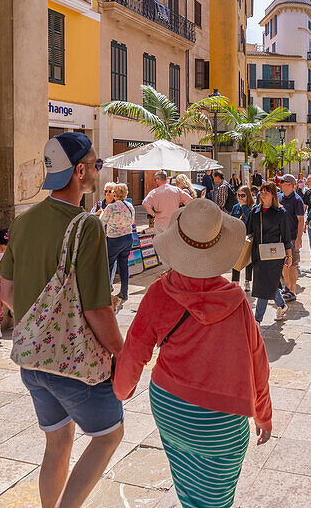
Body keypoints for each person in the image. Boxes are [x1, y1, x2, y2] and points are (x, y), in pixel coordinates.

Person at [113, 200, 272, 508]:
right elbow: (257, 363)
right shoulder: (237, 300)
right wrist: (263, 414)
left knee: (187, 482)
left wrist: (121, 390)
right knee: (216, 496)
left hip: (170, 407)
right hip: (221, 419)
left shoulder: (159, 291)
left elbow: (134, 349)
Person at [0, 132, 125, 508]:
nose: (99, 171)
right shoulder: (87, 226)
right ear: (80, 171)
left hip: (32, 360)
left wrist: (39, 325)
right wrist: (122, 351)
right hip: (74, 367)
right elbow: (97, 311)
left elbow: (6, 294)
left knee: (58, 442)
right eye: (97, 164)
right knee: (107, 436)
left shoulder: (23, 221)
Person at [246, 181, 291, 323]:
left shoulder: (280, 212)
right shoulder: (255, 211)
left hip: (274, 255)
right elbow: (248, 231)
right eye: (261, 192)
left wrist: (289, 255)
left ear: (273, 195)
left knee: (263, 287)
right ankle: (282, 305)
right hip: (258, 254)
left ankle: (257, 321)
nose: (263, 194)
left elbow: (286, 236)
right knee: (268, 284)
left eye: (266, 192)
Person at [101, 182, 135, 304]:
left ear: (115, 194)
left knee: (108, 265)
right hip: (128, 237)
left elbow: (101, 222)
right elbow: (132, 221)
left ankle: (106, 291)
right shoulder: (130, 206)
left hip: (115, 239)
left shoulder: (111, 207)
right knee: (123, 265)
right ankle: (124, 291)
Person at [278, 173, 306, 302]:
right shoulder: (279, 197)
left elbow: (300, 220)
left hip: (293, 237)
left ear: (289, 184)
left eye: (282, 182)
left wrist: (299, 238)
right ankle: (287, 287)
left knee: (293, 263)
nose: (280, 184)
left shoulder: (297, 200)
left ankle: (293, 290)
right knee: (284, 263)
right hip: (280, 238)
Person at [230, 185, 255, 291]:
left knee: (248, 260)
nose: (240, 198)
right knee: (236, 259)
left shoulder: (253, 207)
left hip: (249, 237)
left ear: (248, 195)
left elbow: (251, 220)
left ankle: (247, 281)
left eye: (243, 195)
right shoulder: (235, 207)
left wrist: (244, 206)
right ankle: (235, 282)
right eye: (238, 195)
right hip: (237, 237)